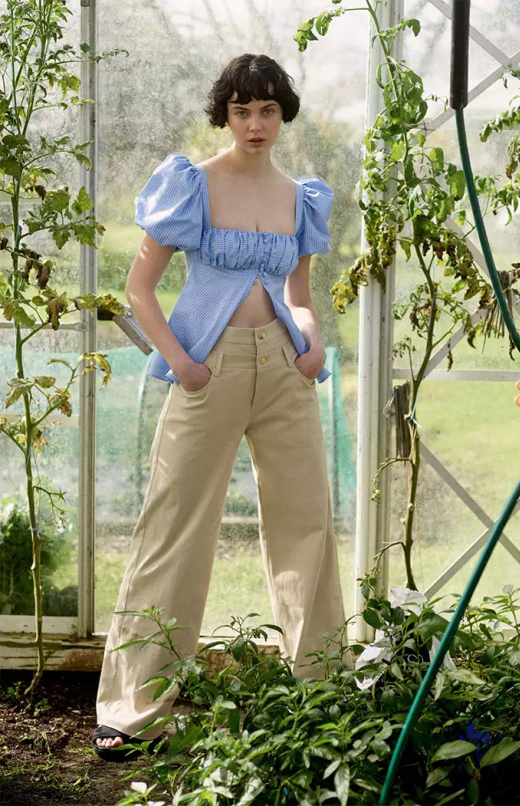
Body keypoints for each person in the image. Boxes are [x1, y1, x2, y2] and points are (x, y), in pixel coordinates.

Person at [93, 53, 350, 761]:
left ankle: (323, 696)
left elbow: (298, 295)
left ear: (282, 114)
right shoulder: (192, 184)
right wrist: (181, 363)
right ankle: (132, 709)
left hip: (285, 370)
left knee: (307, 526)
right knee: (173, 528)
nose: (255, 123)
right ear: (224, 115)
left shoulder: (301, 197)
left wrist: (311, 343)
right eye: (242, 110)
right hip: (209, 370)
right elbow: (139, 288)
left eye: (267, 110)